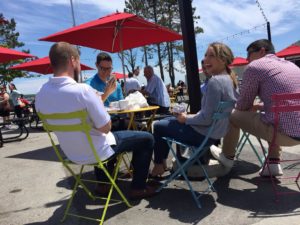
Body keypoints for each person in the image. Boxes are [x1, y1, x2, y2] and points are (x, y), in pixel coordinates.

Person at [35, 42, 159, 200]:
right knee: (147, 138)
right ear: (73, 60)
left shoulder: (40, 95)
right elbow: (105, 128)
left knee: (127, 127)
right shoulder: (83, 90)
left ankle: (108, 181)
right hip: (96, 150)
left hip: (71, 154)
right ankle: (138, 187)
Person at [210, 39, 300, 177]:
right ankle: (273, 163)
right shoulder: (292, 66)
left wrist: (249, 107)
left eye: (249, 54)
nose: (247, 59)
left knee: (232, 114)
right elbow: (290, 101)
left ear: (262, 51)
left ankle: (227, 157)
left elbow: (243, 105)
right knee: (272, 114)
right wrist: (260, 106)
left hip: (283, 135)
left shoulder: (255, 67)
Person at [150, 42, 237, 177]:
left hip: (201, 135)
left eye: (211, 56)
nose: (205, 60)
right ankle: (161, 164)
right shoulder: (230, 80)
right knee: (167, 120)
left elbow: (206, 119)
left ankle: (158, 166)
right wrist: (190, 117)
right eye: (205, 55)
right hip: (212, 135)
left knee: (158, 125)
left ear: (223, 60)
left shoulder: (215, 81)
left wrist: (186, 118)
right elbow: (210, 115)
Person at [85, 52, 125, 130]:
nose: (106, 72)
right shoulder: (88, 85)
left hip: (118, 120)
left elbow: (122, 105)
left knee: (142, 129)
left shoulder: (116, 85)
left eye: (109, 69)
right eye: (103, 69)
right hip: (101, 125)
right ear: (97, 65)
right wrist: (107, 93)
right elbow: (90, 110)